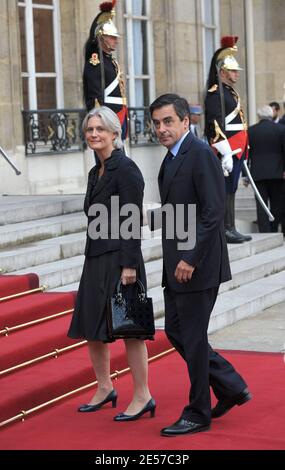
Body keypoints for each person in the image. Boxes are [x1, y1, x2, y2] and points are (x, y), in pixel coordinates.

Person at [150, 94, 251, 437]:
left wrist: (190, 258)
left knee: (191, 338)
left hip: (197, 265)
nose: (161, 128)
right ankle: (230, 385)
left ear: (184, 122)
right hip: (178, 264)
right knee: (178, 332)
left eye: (167, 121)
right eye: (156, 123)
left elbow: (213, 213)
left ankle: (197, 412)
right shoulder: (173, 157)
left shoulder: (200, 154)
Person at [68, 106, 155, 421]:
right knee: (92, 326)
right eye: (89, 130)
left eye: (100, 130)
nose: (93, 134)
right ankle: (105, 387)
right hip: (96, 257)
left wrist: (130, 264)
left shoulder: (127, 169)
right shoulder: (96, 171)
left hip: (122, 259)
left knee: (130, 329)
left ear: (114, 134)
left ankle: (143, 395)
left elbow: (133, 218)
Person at [204, 36, 252, 244]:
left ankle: (231, 226)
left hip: (237, 147)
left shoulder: (229, 93)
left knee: (231, 189)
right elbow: (214, 125)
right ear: (222, 72)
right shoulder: (216, 94)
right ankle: (225, 228)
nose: (236, 74)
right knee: (224, 189)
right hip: (227, 148)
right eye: (232, 71)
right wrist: (224, 150)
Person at [83, 1, 128, 140]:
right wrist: (100, 121)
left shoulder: (110, 60)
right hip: (107, 117)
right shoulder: (95, 62)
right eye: (112, 37)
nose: (116, 41)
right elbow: (95, 97)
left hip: (119, 114)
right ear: (102, 37)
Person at [248, 105, 285, 233]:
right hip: (277, 173)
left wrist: (245, 174)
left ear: (259, 116)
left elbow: (246, 154)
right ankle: (274, 229)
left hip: (257, 173)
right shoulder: (281, 129)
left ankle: (264, 231)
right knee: (277, 204)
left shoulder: (251, 131)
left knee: (261, 205)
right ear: (271, 115)